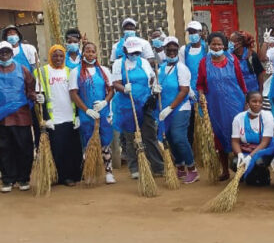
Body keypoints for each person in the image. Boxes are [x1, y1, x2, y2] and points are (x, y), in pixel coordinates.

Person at [0, 41, 40, 193]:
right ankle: (8, 179)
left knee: (24, 148)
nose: (4, 55)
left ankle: (23, 178)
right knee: (3, 149)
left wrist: (36, 97)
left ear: (12, 53)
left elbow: (30, 89)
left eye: (7, 52)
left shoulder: (23, 69)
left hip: (21, 116)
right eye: (1, 53)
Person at [111, 37, 164, 178]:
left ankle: (158, 166)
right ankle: (134, 167)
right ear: (125, 50)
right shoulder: (118, 64)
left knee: (149, 135)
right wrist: (124, 88)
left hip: (145, 103)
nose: (134, 55)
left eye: (137, 52)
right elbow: (115, 83)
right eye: (132, 52)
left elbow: (152, 78)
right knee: (130, 137)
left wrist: (154, 88)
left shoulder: (144, 62)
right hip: (127, 105)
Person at [197, 32, 247, 180]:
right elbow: (200, 84)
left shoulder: (232, 59)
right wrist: (201, 96)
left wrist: (246, 101)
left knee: (239, 135)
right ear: (209, 45)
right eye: (213, 44)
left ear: (224, 46)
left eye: (219, 44)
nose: (216, 47)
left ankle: (242, 170)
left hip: (236, 105)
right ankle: (225, 171)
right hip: (215, 107)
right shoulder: (204, 62)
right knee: (219, 138)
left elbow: (241, 81)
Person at [69, 42, 116, 184]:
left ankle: (108, 172)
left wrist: (104, 103)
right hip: (86, 114)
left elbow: (111, 90)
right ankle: (89, 172)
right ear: (82, 53)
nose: (90, 54)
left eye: (93, 51)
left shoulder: (104, 71)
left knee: (105, 143)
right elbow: (73, 93)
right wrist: (86, 110)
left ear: (96, 54)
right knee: (88, 143)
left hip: (103, 112)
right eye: (87, 51)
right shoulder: (76, 72)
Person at [36, 45, 82, 186]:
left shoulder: (70, 72)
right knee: (58, 148)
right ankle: (62, 176)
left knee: (72, 147)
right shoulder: (42, 71)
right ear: (50, 56)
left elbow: (76, 94)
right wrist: (46, 117)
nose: (58, 58)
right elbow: (39, 94)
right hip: (54, 117)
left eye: (61, 56)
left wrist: (77, 115)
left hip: (70, 115)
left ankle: (75, 174)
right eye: (55, 56)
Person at [157, 37, 199, 184]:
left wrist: (171, 108)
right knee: (169, 137)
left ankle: (192, 169)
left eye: (175, 50)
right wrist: (155, 89)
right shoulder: (161, 69)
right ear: (164, 50)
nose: (172, 52)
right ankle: (180, 166)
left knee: (178, 137)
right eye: (169, 49)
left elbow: (184, 90)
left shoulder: (181, 68)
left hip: (180, 108)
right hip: (164, 109)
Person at [231, 91, 274, 186]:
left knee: (258, 162)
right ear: (247, 103)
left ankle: (264, 174)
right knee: (235, 162)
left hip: (264, 151)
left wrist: (250, 157)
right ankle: (250, 175)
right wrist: (240, 154)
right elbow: (235, 141)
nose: (258, 104)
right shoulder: (238, 118)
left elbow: (265, 142)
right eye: (254, 101)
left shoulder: (267, 116)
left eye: (260, 102)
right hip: (246, 150)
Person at [179, 21, 208, 145]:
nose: (192, 35)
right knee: (190, 123)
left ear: (200, 33)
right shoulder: (184, 50)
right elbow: (182, 70)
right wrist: (189, 90)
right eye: (190, 32)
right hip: (188, 90)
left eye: (194, 32)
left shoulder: (206, 48)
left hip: (205, 90)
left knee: (205, 120)